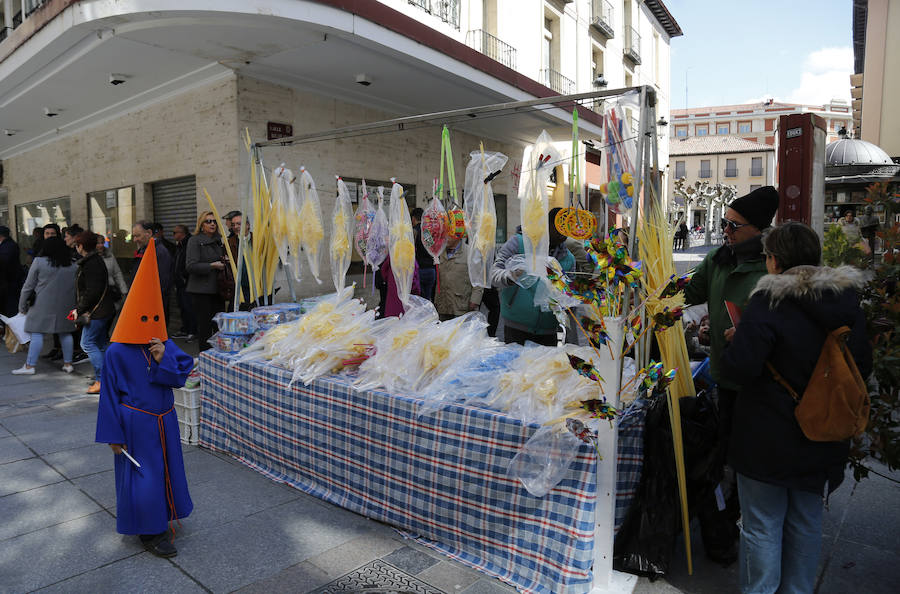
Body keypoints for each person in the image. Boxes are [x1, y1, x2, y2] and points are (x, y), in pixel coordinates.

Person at [721, 222, 871, 594]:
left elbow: (740, 368)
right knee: (806, 521)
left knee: (762, 524)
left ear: (774, 261)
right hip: (824, 429)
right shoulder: (846, 301)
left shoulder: (768, 302)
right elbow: (861, 366)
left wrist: (737, 340)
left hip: (766, 436)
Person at [682, 184, 779, 563]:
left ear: (757, 229)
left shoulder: (771, 265)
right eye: (724, 222)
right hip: (723, 373)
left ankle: (733, 522)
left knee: (742, 459)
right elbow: (689, 292)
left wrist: (751, 330)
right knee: (722, 454)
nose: (726, 230)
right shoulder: (720, 258)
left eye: (733, 225)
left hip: (757, 381)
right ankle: (720, 523)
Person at [95, 237, 194, 558]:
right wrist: (113, 435)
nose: (149, 324)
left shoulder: (161, 341)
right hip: (136, 424)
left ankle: (164, 515)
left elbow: (180, 375)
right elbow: (108, 395)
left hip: (164, 420)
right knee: (143, 477)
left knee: (166, 470)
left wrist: (165, 355)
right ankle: (149, 531)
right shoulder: (116, 352)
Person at [490, 207, 574, 346]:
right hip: (516, 326)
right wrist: (510, 276)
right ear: (548, 224)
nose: (563, 233)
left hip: (548, 331)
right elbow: (494, 273)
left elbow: (570, 297)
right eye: (560, 227)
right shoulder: (519, 242)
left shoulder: (569, 259)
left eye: (568, 228)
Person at [12, 236, 77, 375]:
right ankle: (68, 364)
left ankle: (30, 366)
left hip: (42, 305)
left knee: (37, 334)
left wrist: (21, 306)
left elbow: (28, 287)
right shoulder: (73, 264)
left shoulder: (39, 262)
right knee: (65, 334)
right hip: (66, 305)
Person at [73, 232, 117, 394]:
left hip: (97, 311)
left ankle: (102, 380)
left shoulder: (91, 263)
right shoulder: (94, 261)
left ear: (81, 246)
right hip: (103, 309)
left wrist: (79, 309)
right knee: (100, 343)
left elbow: (92, 291)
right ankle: (110, 378)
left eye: (76, 244)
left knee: (87, 343)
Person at [185, 211, 227, 348]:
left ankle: (217, 357)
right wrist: (212, 265)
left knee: (219, 326)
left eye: (214, 221)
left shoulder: (219, 240)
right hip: (201, 291)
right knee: (205, 328)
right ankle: (205, 356)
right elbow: (191, 266)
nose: (212, 224)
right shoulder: (194, 240)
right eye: (208, 221)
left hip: (218, 289)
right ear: (201, 225)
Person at [132, 221, 173, 323]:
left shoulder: (159, 251)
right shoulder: (145, 249)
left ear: (149, 233)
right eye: (134, 236)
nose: (135, 240)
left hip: (152, 307)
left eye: (138, 236)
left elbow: (162, 282)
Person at [434, 234, 482, 321]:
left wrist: (475, 300)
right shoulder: (440, 253)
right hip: (443, 306)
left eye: (448, 235)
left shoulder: (470, 252)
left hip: (461, 307)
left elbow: (478, 278)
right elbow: (439, 279)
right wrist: (436, 300)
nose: (445, 238)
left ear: (458, 236)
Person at [170, 224, 196, 340]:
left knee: (189, 307)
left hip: (187, 283)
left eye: (175, 233)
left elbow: (188, 263)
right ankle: (186, 329)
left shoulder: (189, 244)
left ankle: (192, 330)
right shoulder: (180, 245)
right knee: (183, 307)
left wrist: (183, 277)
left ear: (182, 233)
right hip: (180, 283)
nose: (173, 235)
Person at [224, 210, 252, 310]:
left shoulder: (258, 240)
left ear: (247, 225)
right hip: (238, 290)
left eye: (239, 224)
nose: (235, 227)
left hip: (257, 289)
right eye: (233, 224)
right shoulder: (229, 243)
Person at [410, 207, 437, 302]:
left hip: (419, 270)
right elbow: (431, 248)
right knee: (428, 300)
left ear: (413, 218)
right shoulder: (427, 232)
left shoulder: (413, 232)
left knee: (418, 301)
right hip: (431, 270)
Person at [0, 225, 24, 319]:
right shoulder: (8, 245)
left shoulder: (8, 246)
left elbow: (4, 263)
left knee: (9, 312)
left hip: (9, 284)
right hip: (8, 284)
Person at [96, 235, 129, 301]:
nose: (101, 245)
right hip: (96, 293)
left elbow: (117, 273)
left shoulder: (110, 255)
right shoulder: (91, 258)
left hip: (110, 291)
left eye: (102, 243)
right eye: (98, 243)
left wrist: (124, 290)